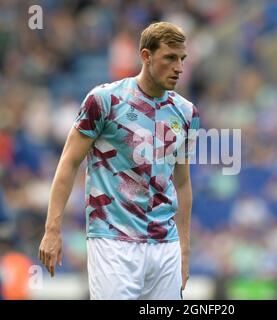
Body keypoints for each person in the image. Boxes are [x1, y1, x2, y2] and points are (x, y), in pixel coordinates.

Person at [38, 21, 199, 300]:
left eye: (182, 59)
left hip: (165, 245)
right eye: (170, 58)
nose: (179, 68)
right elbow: (69, 162)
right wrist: (52, 229)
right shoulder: (104, 101)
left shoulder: (186, 113)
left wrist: (183, 249)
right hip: (113, 240)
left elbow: (182, 184)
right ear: (146, 56)